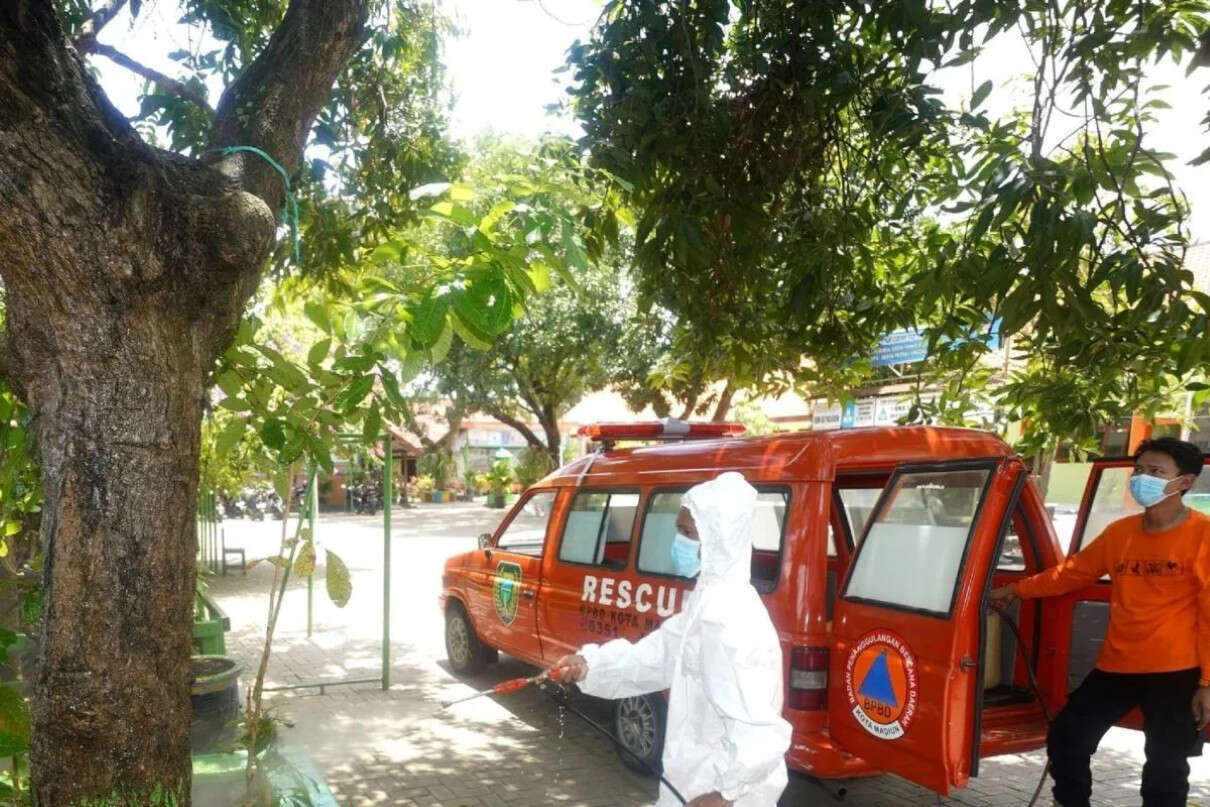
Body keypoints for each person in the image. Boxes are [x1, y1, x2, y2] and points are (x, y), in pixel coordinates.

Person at [990, 437, 1210, 807]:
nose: (1142, 478)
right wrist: (1016, 590)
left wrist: (1207, 682)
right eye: (1139, 470)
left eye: (1156, 472)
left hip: (1176, 670)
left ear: (1184, 482)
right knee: (1067, 736)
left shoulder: (1203, 535)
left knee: (1166, 766)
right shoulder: (1120, 534)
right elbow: (1071, 574)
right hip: (1117, 666)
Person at [552, 472, 791, 807]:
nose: (678, 542)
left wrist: (723, 795)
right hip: (690, 784)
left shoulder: (731, 619)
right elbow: (658, 656)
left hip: (723, 794)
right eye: (679, 531)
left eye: (689, 533)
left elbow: (761, 731)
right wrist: (591, 665)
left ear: (718, 540)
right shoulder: (707, 601)